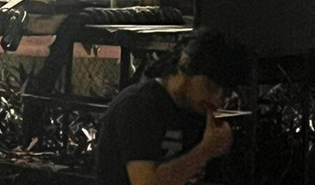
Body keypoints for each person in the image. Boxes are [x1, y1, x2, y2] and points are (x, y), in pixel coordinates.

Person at [94, 28, 251, 185]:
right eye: (211, 86)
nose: (217, 100)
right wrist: (205, 151)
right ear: (186, 65)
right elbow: (146, 182)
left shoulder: (196, 112)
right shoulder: (138, 105)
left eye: (225, 93)